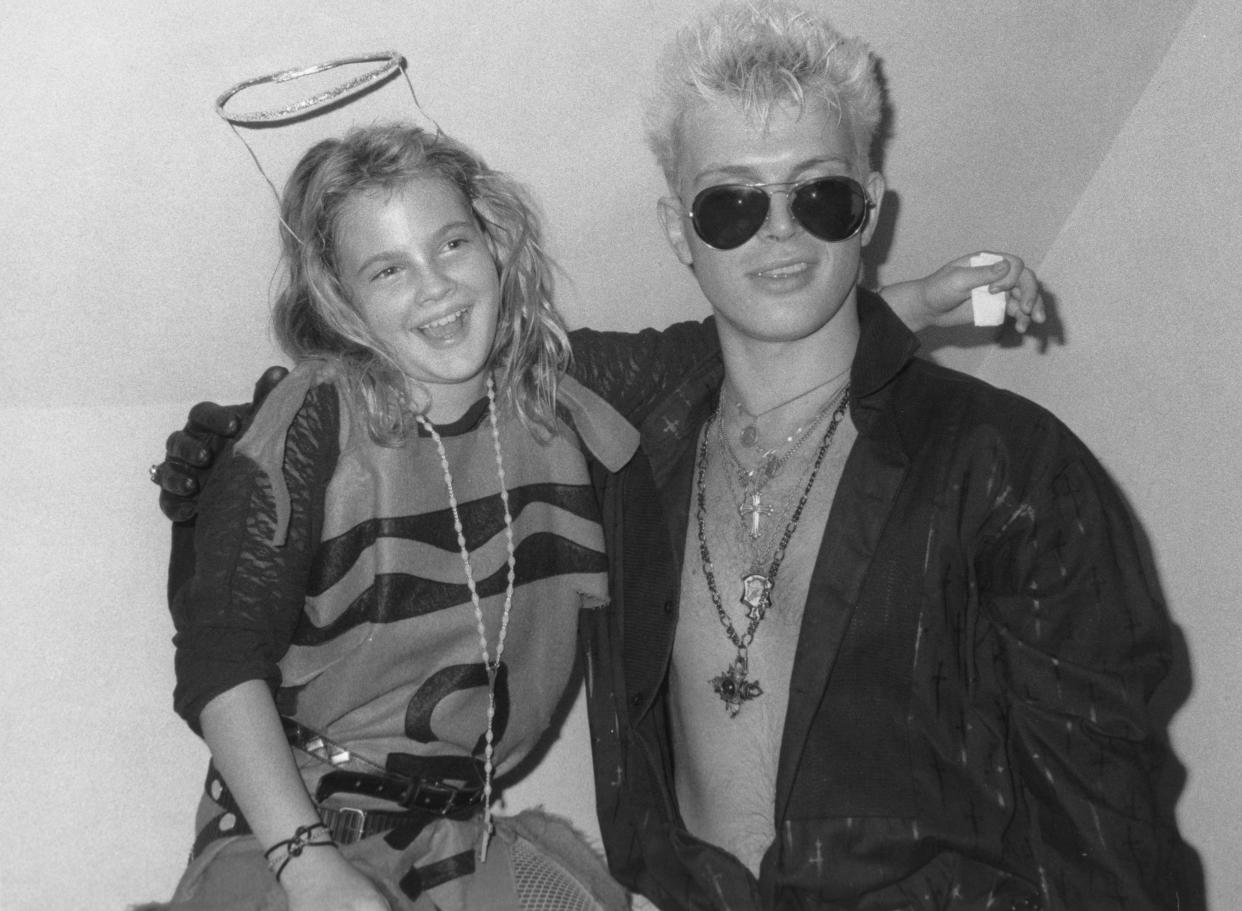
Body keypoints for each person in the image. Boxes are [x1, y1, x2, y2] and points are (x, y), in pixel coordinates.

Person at [150, 110, 1041, 910]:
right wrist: (310, 869)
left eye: (452, 243)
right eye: (388, 268)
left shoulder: (557, 388)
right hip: (291, 835)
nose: (437, 288)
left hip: (460, 842)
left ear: (496, 245)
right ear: (341, 298)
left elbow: (728, 352)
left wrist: (920, 302)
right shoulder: (312, 421)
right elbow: (220, 666)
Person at [570, 2, 1185, 909]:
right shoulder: (632, 460)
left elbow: (1107, 845)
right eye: (731, 204)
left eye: (817, 195)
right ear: (677, 229)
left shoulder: (1008, 470)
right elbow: (435, 359)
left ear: (868, 211)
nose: (779, 231)